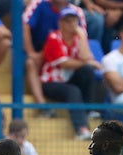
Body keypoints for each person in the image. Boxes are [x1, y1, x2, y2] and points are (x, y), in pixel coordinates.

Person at [40, 7, 100, 141]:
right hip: (51, 82)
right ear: (61, 23)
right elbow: (65, 63)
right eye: (68, 21)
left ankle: (89, 109)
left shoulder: (78, 38)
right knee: (73, 90)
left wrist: (83, 37)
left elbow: (87, 57)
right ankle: (81, 129)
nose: (72, 24)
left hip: (68, 78)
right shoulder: (54, 37)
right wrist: (87, 62)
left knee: (88, 71)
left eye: (74, 21)